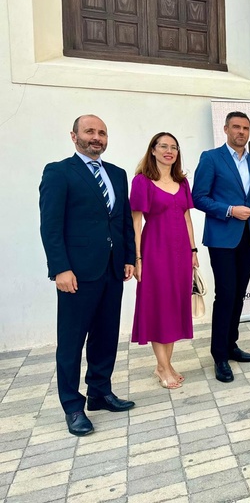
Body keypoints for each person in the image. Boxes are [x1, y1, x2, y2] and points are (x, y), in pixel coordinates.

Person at [39, 115, 136, 437]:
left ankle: (100, 392)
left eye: (102, 132)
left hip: (111, 269)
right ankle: (72, 405)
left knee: (106, 335)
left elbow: (123, 221)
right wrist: (60, 269)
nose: (96, 137)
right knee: (71, 342)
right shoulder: (59, 172)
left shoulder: (117, 174)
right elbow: (51, 226)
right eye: (90, 132)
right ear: (74, 136)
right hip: (77, 273)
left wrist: (128, 259)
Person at [192, 112, 250, 383]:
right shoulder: (211, 158)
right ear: (225, 129)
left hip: (249, 237)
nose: (241, 132)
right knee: (225, 294)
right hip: (223, 238)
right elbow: (198, 198)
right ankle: (219, 355)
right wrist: (229, 210)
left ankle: (231, 344)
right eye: (236, 127)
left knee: (238, 295)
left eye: (246, 128)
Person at [131, 132, 199, 389]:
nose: (169, 151)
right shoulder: (142, 182)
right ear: (153, 151)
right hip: (154, 251)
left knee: (173, 307)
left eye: (174, 147)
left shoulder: (182, 182)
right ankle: (164, 366)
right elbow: (136, 222)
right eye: (163, 146)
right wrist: (137, 258)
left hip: (181, 253)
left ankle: (163, 365)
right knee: (158, 306)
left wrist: (193, 251)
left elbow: (187, 218)